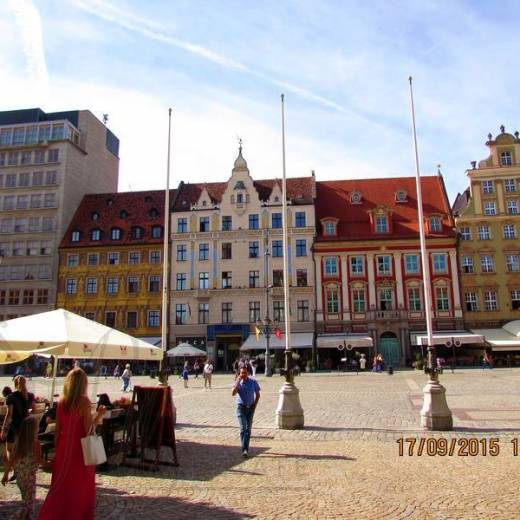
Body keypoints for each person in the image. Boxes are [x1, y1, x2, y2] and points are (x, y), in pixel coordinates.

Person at [39, 368, 106, 520]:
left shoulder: (62, 402)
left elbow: (57, 430)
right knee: (79, 488)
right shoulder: (84, 402)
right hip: (80, 451)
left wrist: (58, 451)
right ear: (83, 384)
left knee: (61, 486)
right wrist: (99, 416)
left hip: (64, 449)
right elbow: (88, 430)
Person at [2, 415, 41, 519]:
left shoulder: (18, 443)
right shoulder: (36, 444)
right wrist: (51, 463)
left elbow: (11, 460)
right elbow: (38, 461)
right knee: (29, 503)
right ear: (34, 430)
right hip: (30, 477)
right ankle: (18, 517)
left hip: (20, 477)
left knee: (26, 500)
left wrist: (5, 474)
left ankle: (25, 516)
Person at [1, 375, 34, 483]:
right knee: (22, 450)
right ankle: (19, 470)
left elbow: (9, 414)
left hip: (14, 427)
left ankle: (14, 469)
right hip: (25, 427)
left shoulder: (11, 397)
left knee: (10, 450)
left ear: (15, 384)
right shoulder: (30, 396)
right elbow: (33, 410)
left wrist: (3, 429)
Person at [232, 367, 261, 457]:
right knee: (243, 428)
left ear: (248, 373)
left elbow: (258, 394)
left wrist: (254, 406)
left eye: (244, 373)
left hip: (250, 408)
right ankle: (244, 450)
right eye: (241, 373)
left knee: (248, 430)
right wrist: (237, 382)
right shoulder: (238, 383)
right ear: (239, 374)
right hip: (241, 408)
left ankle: (245, 449)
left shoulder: (253, 382)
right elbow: (233, 393)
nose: (243, 374)